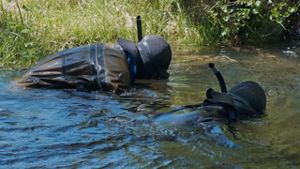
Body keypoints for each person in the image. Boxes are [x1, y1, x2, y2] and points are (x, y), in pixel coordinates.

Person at [153, 64, 267, 148]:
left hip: (163, 120)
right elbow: (232, 148)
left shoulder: (202, 108)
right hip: (172, 132)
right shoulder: (214, 124)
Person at [18, 35, 172, 94]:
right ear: (153, 74)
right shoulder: (119, 77)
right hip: (30, 91)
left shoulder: (111, 49)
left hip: (26, 81)